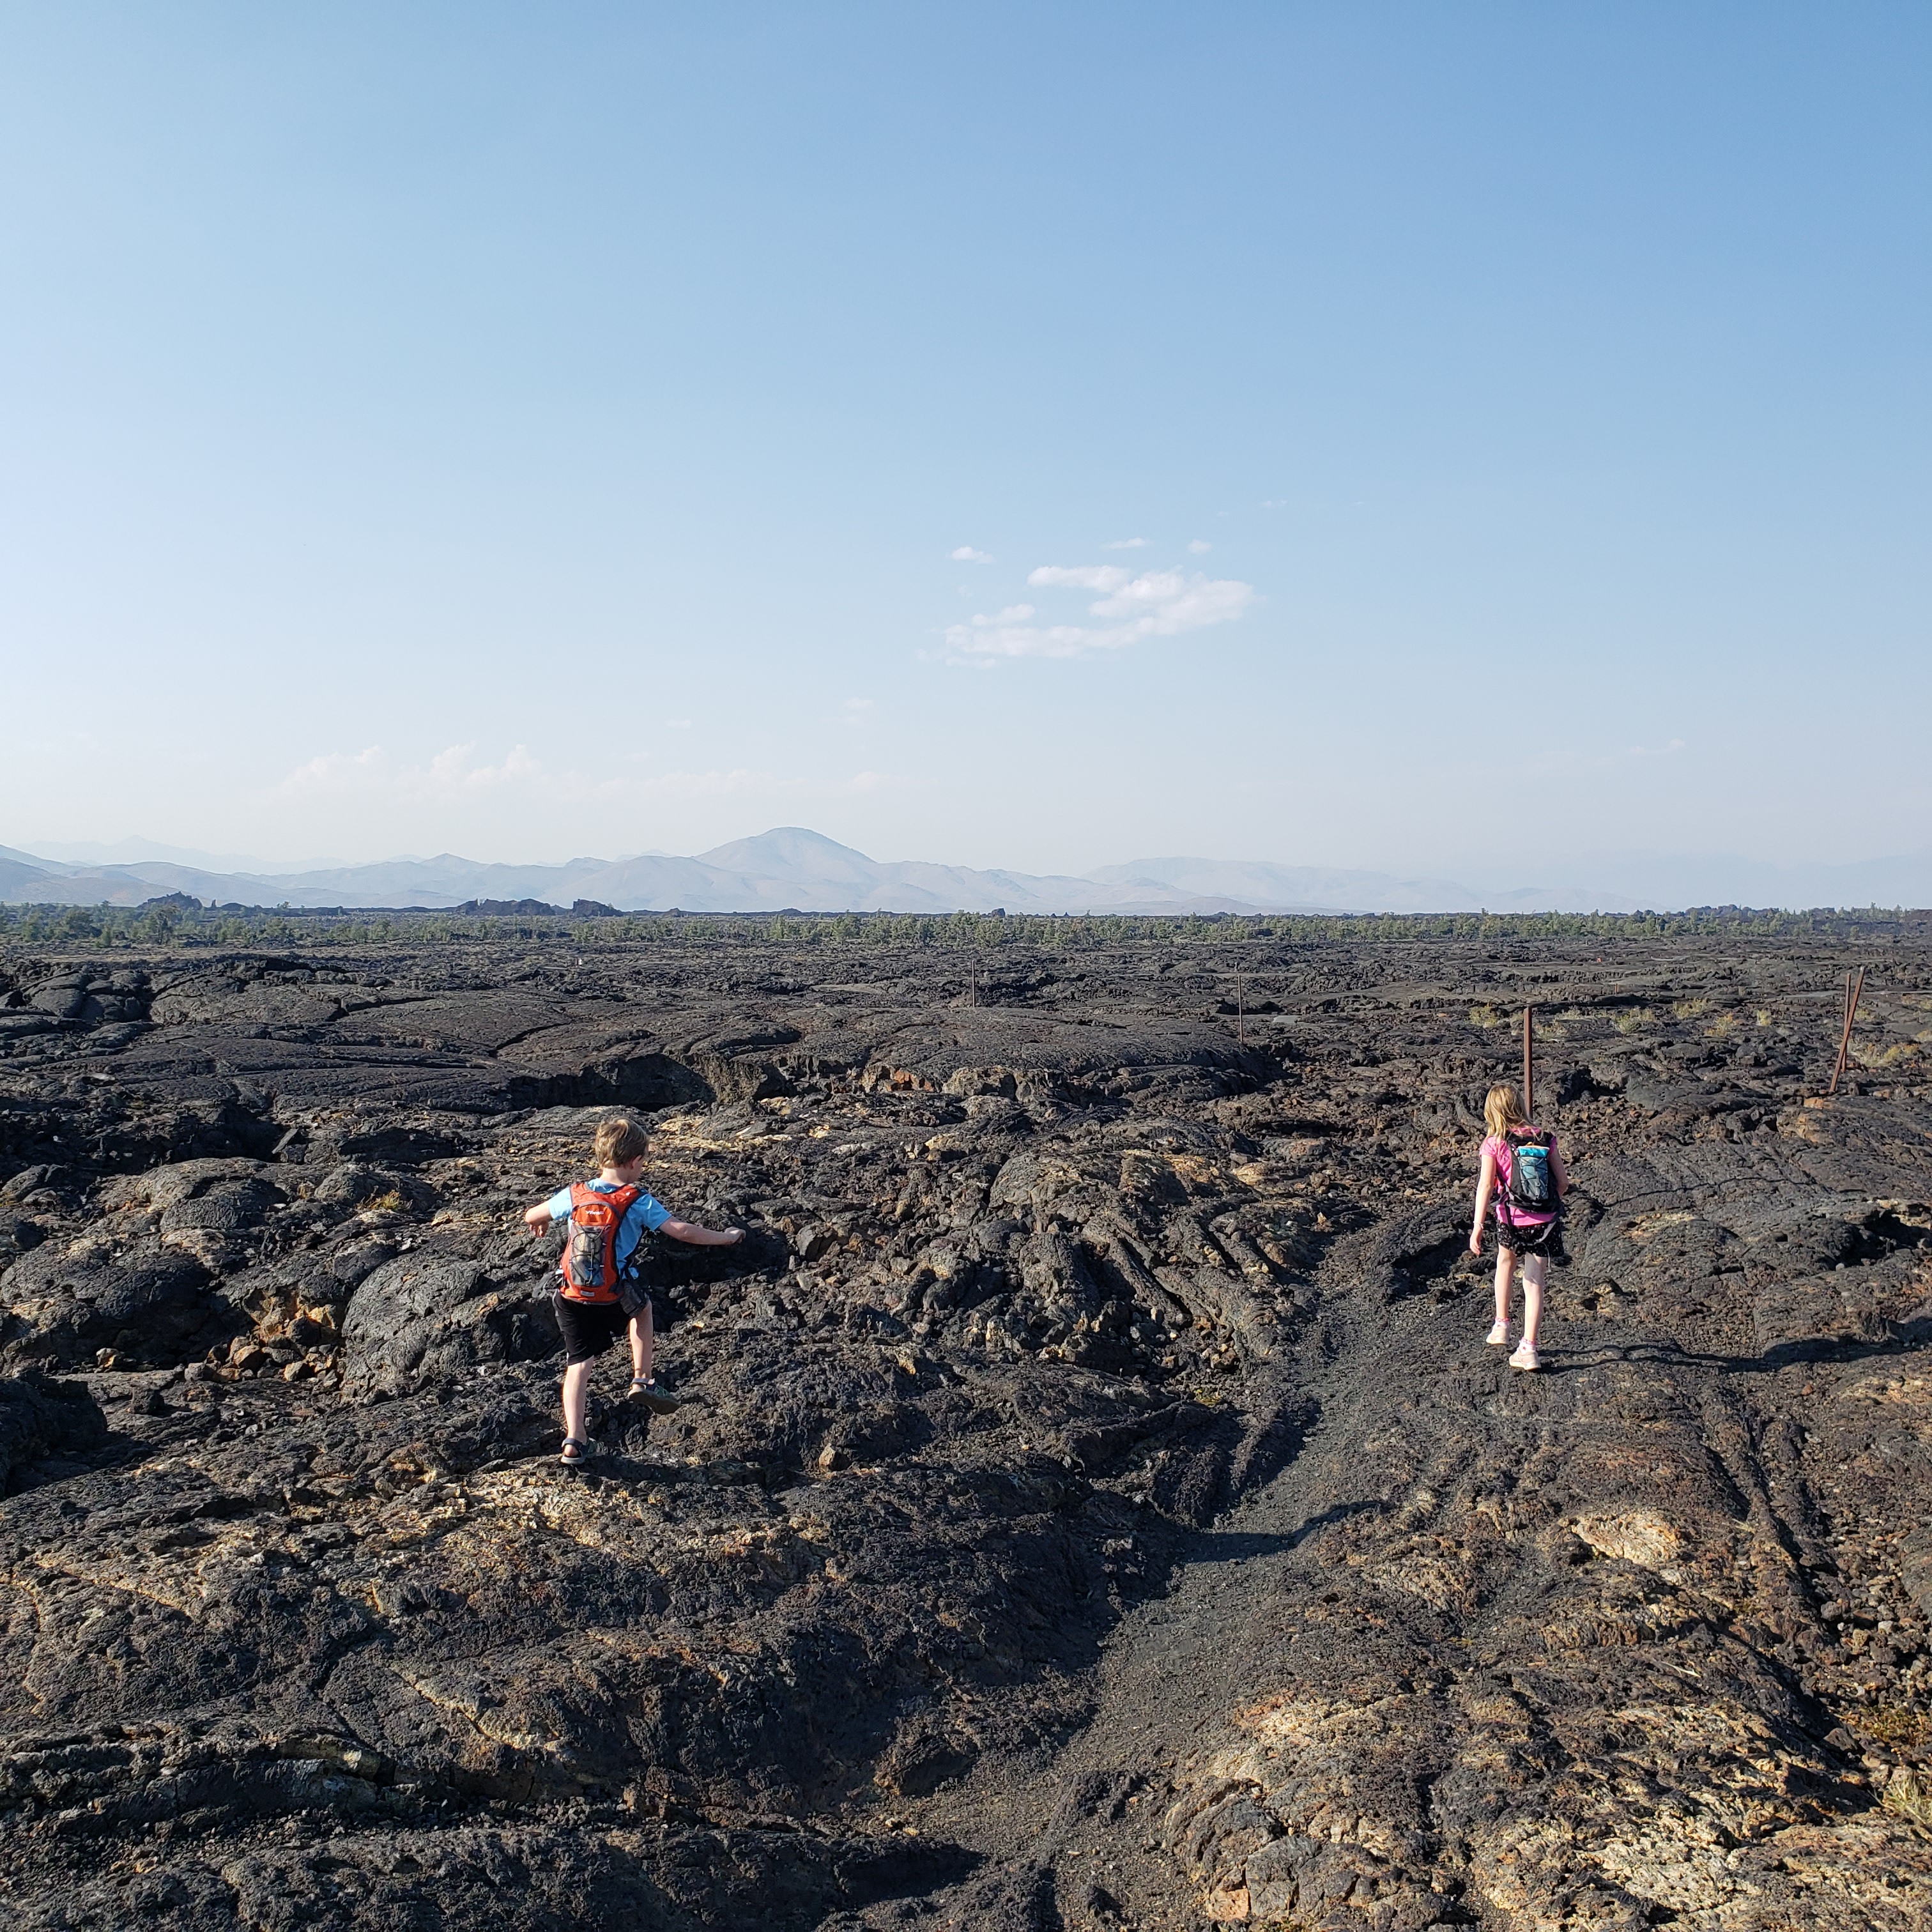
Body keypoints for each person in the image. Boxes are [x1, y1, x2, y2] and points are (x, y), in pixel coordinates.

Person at [522, 1115, 742, 1463]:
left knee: (578, 1363)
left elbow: (531, 1215)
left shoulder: (575, 1194)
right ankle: (643, 1379)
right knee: (642, 1310)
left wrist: (543, 1221)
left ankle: (574, 1440)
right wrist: (725, 1239)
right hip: (614, 1292)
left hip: (573, 1295)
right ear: (636, 1161)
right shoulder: (636, 1199)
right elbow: (681, 1231)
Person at [1469, 1082, 1568, 1372]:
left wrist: (1478, 1225)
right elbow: (1563, 1184)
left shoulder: (1494, 1143)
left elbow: (1486, 1185)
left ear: (1492, 1112)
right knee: (1534, 1281)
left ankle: (1501, 1326)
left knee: (1505, 1262)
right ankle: (1529, 1349)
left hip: (1511, 1220)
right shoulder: (1543, 1138)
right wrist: (1542, 1205)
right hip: (1545, 1223)